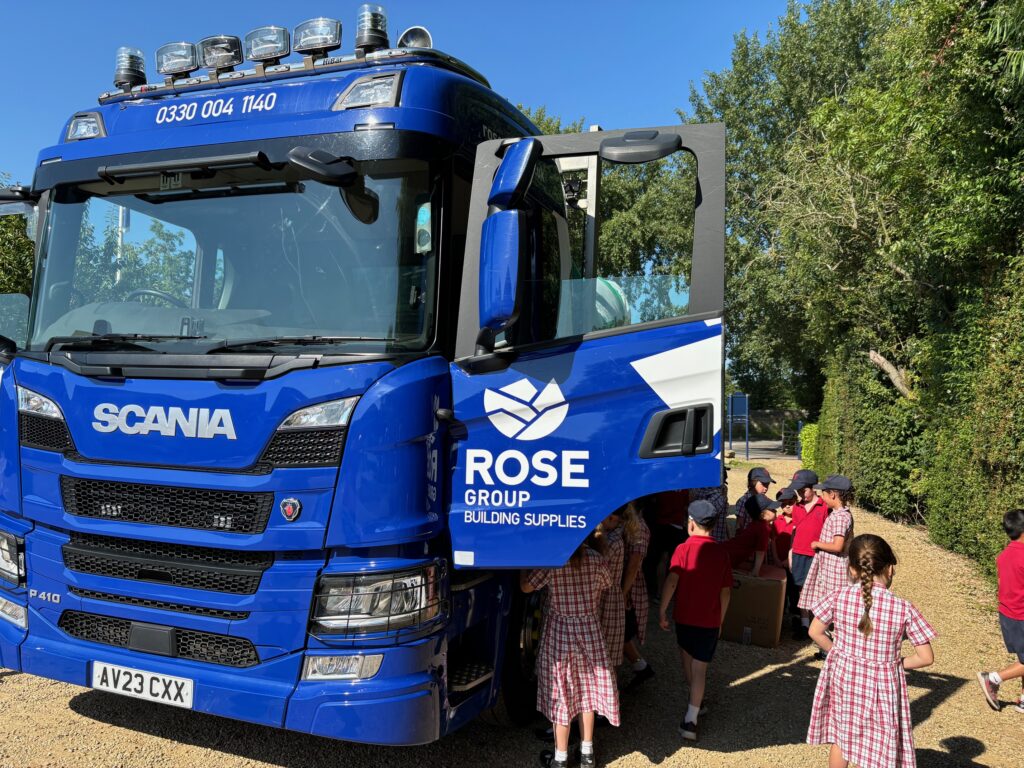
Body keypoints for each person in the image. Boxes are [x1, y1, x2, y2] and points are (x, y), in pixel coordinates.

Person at [807, 533, 936, 768]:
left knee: (842, 739)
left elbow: (815, 631)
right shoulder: (903, 608)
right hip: (883, 686)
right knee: (876, 745)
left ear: (852, 570)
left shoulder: (839, 596)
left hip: (844, 676)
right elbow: (926, 658)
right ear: (889, 569)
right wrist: (895, 663)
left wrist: (838, 651)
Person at [523, 539, 620, 768]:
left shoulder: (553, 562)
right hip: (589, 632)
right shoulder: (596, 559)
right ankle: (587, 753)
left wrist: (524, 566)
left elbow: (526, 587)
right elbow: (607, 584)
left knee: (562, 696)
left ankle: (561, 757)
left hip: (561, 634)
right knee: (587, 694)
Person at [658, 499, 733, 742]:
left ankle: (695, 708)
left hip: (685, 617)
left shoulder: (683, 549)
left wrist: (662, 610)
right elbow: (726, 591)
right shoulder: (722, 553)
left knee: (688, 663)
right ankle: (692, 714)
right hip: (709, 620)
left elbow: (672, 580)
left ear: (691, 523)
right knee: (701, 669)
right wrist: (720, 620)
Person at [977, 509, 1024, 713]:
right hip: (1021, 615)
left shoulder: (1004, 555)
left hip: (1007, 613)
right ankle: (993, 678)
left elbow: (1002, 583)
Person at [797, 475, 855, 632]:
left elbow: (838, 545)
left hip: (835, 569)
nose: (822, 497)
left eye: (823, 493)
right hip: (830, 567)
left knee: (832, 603)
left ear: (833, 495)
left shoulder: (840, 517)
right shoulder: (838, 514)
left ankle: (829, 639)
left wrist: (818, 544)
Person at [789, 469, 830, 639]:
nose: (800, 494)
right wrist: (790, 552)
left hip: (816, 554)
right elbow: (795, 531)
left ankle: (819, 626)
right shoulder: (797, 507)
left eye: (803, 490)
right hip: (799, 552)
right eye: (798, 490)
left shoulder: (824, 507)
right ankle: (805, 624)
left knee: (818, 589)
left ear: (813, 488)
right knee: (801, 589)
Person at [621, 502, 654, 687]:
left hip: (628, 588)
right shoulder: (632, 523)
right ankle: (641, 667)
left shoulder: (638, 527)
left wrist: (623, 593)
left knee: (620, 633)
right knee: (622, 635)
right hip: (624, 586)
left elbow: (634, 564)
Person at [644, 490, 690, 599]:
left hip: (661, 525)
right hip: (677, 526)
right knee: (675, 561)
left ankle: (659, 592)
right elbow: (687, 506)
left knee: (662, 559)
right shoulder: (684, 488)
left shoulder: (662, 488)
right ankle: (672, 591)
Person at [723, 493, 779, 576]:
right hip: (728, 556)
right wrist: (755, 572)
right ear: (762, 515)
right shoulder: (763, 528)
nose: (776, 510)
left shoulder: (757, 524)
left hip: (727, 552)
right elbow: (760, 552)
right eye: (772, 509)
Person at [598, 509, 626, 669]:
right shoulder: (614, 537)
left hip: (607, 596)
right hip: (610, 594)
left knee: (606, 652)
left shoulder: (612, 540)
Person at [719, 466, 775, 541]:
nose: (766, 488)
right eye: (763, 484)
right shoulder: (743, 501)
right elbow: (739, 524)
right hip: (748, 540)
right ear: (753, 482)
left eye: (767, 484)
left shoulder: (765, 500)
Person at [773, 485, 800, 618]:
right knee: (779, 592)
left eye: (790, 503)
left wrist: (788, 560)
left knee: (793, 590)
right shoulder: (777, 521)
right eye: (783, 504)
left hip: (793, 564)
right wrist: (777, 559)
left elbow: (798, 543)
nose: (787, 506)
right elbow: (772, 541)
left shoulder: (800, 521)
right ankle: (780, 615)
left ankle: (795, 615)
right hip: (778, 563)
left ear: (796, 501)